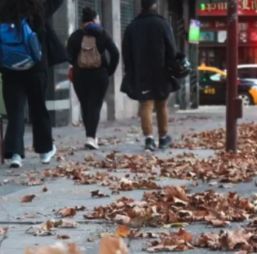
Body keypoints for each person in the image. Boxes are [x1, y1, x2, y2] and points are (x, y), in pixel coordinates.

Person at [0, 0, 69, 168]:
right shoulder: (39, 8)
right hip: (35, 68)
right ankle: (44, 151)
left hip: (10, 68)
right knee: (39, 109)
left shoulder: (3, 8)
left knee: (15, 112)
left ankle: (16, 154)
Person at [121, 0, 179, 152]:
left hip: (141, 71)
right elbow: (171, 49)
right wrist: (173, 66)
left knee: (145, 105)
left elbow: (126, 52)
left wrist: (130, 70)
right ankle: (163, 138)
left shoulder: (132, 26)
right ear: (155, 6)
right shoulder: (163, 24)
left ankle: (149, 139)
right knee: (161, 104)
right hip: (161, 70)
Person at [67, 7, 120, 150]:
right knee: (95, 106)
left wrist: (76, 64)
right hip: (99, 75)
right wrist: (109, 71)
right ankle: (91, 137)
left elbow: (68, 55)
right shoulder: (103, 34)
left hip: (80, 76)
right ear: (95, 19)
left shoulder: (75, 36)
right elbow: (115, 53)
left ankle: (90, 136)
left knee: (85, 106)